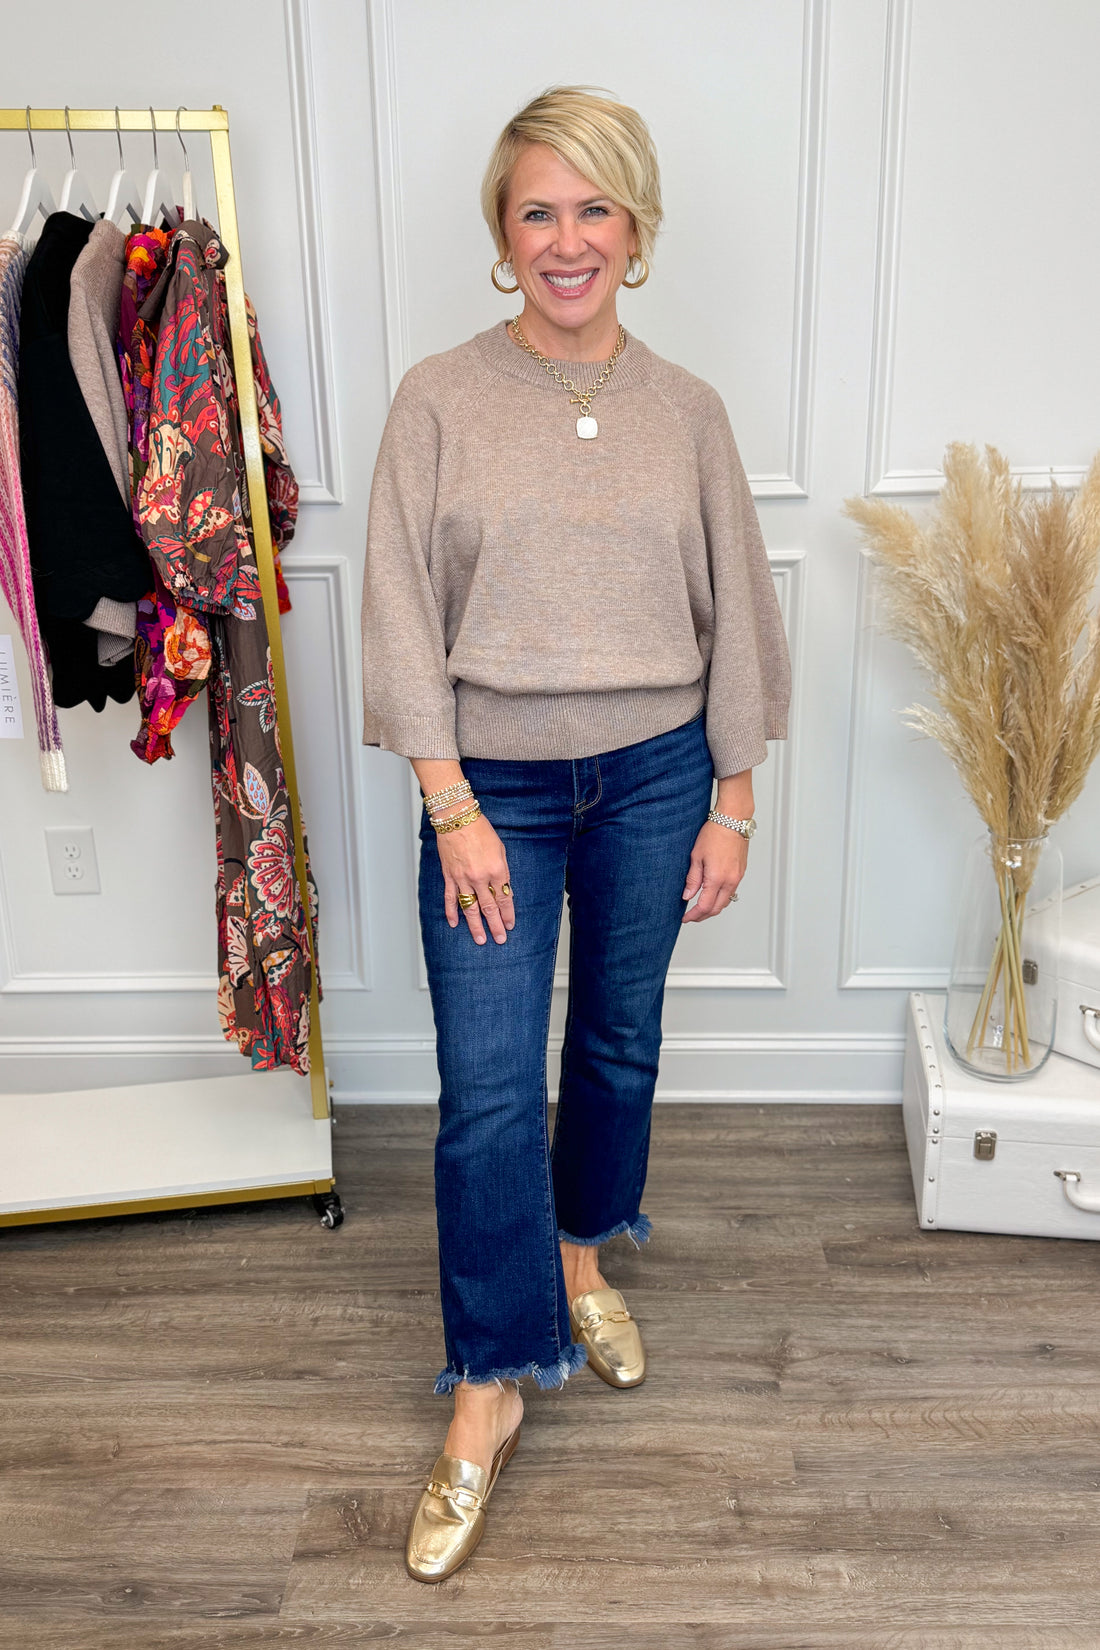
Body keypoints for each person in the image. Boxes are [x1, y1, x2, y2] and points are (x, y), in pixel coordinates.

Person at [360, 84, 791, 1582]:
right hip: (493, 789)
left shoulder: (690, 411)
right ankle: (489, 1380)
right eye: (538, 210)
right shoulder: (438, 398)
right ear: (502, 229)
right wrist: (451, 804)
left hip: (659, 777)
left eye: (594, 208)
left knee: (616, 1042)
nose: (567, 239)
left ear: (636, 226)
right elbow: (397, 611)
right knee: (487, 1088)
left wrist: (732, 798)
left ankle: (579, 1256)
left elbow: (740, 613)